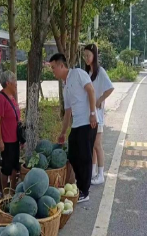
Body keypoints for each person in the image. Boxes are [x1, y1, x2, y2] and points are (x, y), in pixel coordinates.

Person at [50, 53, 97, 203]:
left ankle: (85, 191)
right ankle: (80, 184)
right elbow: (68, 112)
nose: (53, 71)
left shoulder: (78, 74)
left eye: (53, 67)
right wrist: (63, 133)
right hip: (77, 124)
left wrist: (92, 113)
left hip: (87, 122)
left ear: (62, 65)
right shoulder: (65, 87)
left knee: (85, 157)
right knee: (72, 156)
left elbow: (91, 90)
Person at [83, 44, 114, 185]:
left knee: (97, 145)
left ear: (94, 56)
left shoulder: (100, 72)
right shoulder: (87, 72)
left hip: (98, 115)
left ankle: (101, 175)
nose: (86, 58)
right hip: (89, 114)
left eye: (88, 55)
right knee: (92, 145)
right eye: (84, 55)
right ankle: (93, 172)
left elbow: (110, 88)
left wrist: (99, 100)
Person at [0, 71, 22, 191]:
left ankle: (12, 190)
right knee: (6, 168)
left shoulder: (12, 97)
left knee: (15, 166)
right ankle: (4, 193)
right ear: (8, 83)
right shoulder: (0, 98)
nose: (16, 83)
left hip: (15, 139)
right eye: (14, 81)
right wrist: (0, 141)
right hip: (7, 140)